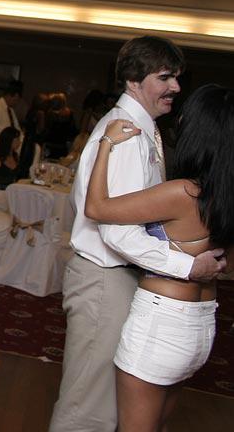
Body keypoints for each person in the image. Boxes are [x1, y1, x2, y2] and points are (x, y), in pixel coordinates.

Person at [49, 36, 226, 432]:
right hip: (105, 279)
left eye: (177, 78)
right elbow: (118, 234)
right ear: (133, 80)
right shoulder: (126, 135)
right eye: (165, 78)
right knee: (89, 410)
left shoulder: (141, 130)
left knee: (105, 405)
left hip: (119, 278)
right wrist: (188, 266)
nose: (175, 87)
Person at [83, 85, 233, 431]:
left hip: (163, 325)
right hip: (201, 325)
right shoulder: (224, 196)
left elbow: (96, 208)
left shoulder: (184, 193)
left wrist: (105, 144)